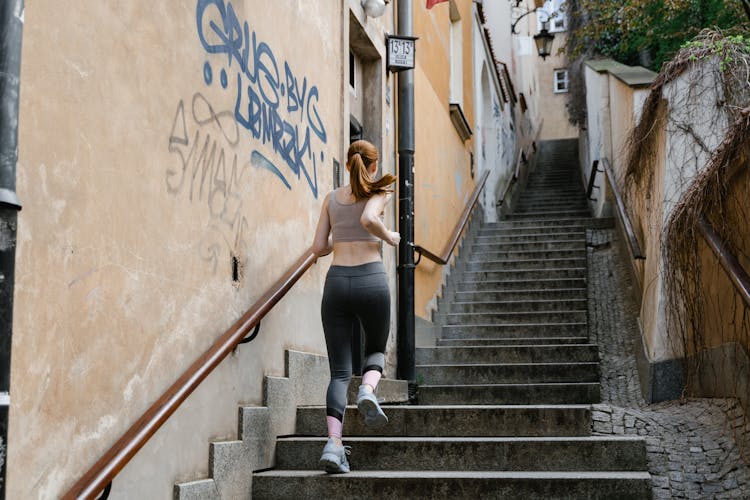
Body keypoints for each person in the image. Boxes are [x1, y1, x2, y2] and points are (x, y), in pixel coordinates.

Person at [311, 139, 400, 474]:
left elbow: (319, 247)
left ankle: (333, 446)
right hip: (371, 281)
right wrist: (388, 235)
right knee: (375, 350)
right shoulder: (382, 191)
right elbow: (367, 217)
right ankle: (367, 389)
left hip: (336, 284)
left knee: (338, 372)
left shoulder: (331, 199)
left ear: (349, 164)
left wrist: (341, 235)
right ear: (372, 166)